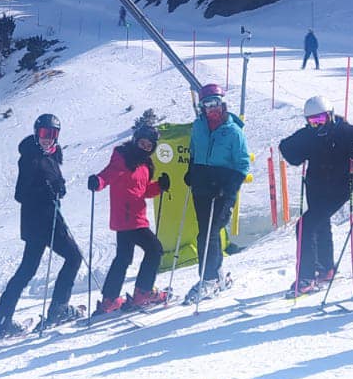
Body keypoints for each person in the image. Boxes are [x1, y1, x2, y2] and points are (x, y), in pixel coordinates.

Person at [0, 114, 83, 340]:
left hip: (47, 221)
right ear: (36, 133)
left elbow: (53, 184)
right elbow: (20, 194)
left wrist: (58, 188)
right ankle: (57, 309)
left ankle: (2, 321)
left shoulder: (51, 157)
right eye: (44, 133)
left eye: (52, 134)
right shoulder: (30, 158)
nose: (47, 139)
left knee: (28, 270)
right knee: (73, 258)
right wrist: (46, 190)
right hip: (40, 222)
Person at [278, 96, 353, 295]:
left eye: (321, 119)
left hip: (338, 189)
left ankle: (306, 277)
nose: (318, 125)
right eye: (312, 121)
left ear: (331, 116)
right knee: (320, 225)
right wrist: (297, 156)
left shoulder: (342, 130)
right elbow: (285, 146)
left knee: (305, 226)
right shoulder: (309, 135)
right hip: (316, 187)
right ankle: (326, 268)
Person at [88, 124, 173, 314]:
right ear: (135, 140)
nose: (144, 147)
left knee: (123, 258)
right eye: (142, 143)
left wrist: (159, 186)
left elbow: (143, 191)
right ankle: (143, 293)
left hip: (131, 217)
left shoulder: (145, 165)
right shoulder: (123, 158)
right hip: (129, 218)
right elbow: (107, 175)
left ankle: (110, 300)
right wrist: (98, 182)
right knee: (155, 249)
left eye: (149, 146)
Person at [183, 83, 250, 303]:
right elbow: (194, 151)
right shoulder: (198, 127)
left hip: (222, 189)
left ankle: (209, 279)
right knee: (205, 231)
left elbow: (242, 164)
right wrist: (191, 171)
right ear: (201, 107)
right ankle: (217, 275)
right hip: (202, 187)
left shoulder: (233, 131)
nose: (211, 108)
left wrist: (227, 188)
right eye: (206, 104)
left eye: (215, 103)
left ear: (223, 104)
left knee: (209, 234)